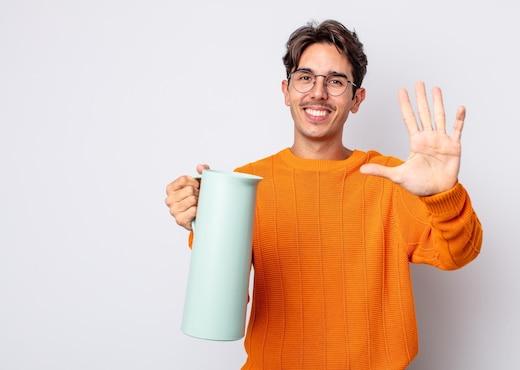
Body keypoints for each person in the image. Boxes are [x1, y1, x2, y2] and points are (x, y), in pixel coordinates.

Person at [165, 19, 482, 370]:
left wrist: (444, 194)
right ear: (286, 91)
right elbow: (222, 310)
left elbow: (459, 254)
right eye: (305, 78)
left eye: (335, 81)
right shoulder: (247, 184)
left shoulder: (392, 179)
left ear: (356, 99)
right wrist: (204, 224)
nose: (318, 92)